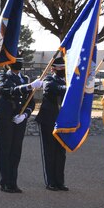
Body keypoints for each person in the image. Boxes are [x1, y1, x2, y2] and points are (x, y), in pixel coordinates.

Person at [0, 57, 43, 193]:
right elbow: (6, 90)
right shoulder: (3, 76)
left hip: (19, 119)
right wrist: (29, 87)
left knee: (16, 151)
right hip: (6, 117)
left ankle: (13, 182)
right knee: (6, 150)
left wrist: (25, 115)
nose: (19, 63)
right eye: (16, 60)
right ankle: (5, 182)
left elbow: (31, 102)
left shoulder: (25, 79)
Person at [36, 56, 68, 191]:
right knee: (50, 151)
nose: (63, 70)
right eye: (60, 67)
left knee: (61, 152)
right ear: (53, 68)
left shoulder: (67, 80)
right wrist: (68, 87)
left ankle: (60, 181)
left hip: (62, 120)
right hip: (48, 119)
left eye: (64, 67)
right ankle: (51, 182)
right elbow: (53, 89)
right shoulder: (49, 79)